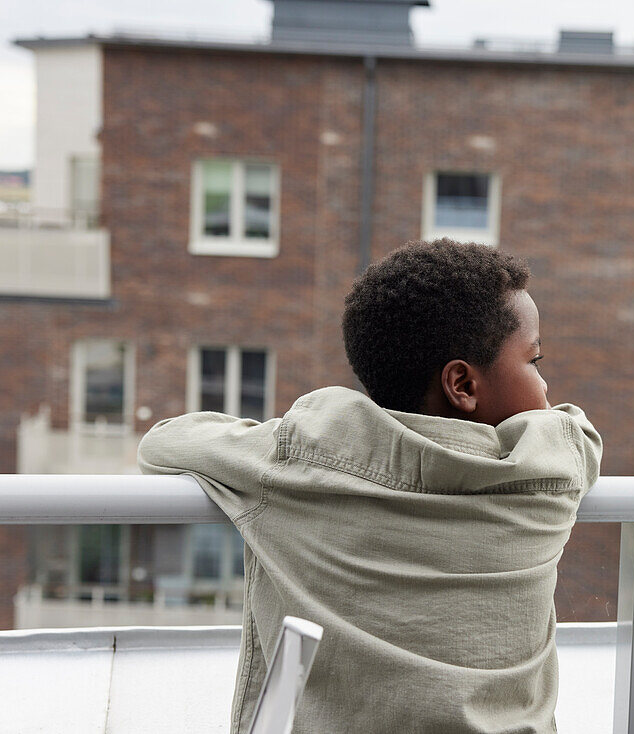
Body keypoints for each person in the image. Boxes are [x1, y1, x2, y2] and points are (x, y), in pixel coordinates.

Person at [138, 238, 602, 733]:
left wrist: (301, 435)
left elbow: (163, 442)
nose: (545, 386)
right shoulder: (549, 472)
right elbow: (572, 430)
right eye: (535, 362)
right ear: (462, 385)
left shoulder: (299, 463)